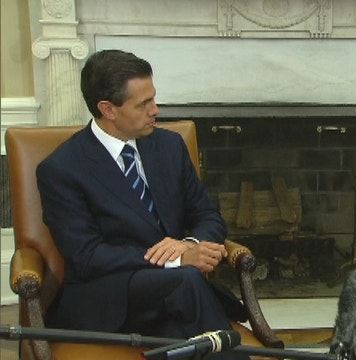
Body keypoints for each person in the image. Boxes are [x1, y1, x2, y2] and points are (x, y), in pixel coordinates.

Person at [37, 49, 249, 359]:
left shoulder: (169, 146)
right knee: (187, 282)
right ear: (108, 109)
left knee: (183, 339)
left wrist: (188, 243)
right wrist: (175, 261)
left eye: (153, 98)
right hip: (112, 295)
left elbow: (207, 215)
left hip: (174, 296)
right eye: (143, 104)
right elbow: (87, 256)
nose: (156, 110)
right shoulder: (62, 169)